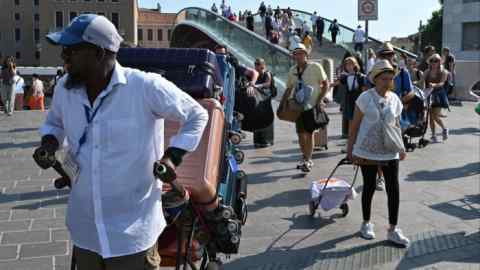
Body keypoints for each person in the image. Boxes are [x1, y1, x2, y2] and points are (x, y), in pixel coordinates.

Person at [37, 14, 209, 270]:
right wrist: (49, 145)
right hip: (85, 231)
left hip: (132, 234)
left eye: (71, 50)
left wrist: (172, 157)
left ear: (98, 53)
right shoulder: (65, 88)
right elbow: (54, 123)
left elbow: (197, 114)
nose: (64, 57)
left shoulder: (144, 87)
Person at [347, 59, 410, 248]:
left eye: (390, 79)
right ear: (375, 79)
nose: (387, 82)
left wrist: (401, 147)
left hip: (389, 150)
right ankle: (366, 222)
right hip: (367, 150)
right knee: (369, 186)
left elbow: (396, 125)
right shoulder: (365, 97)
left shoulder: (395, 99)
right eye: (384, 78)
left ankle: (393, 229)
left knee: (393, 189)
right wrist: (350, 149)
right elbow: (355, 125)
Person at [375, 42, 415, 191]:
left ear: (394, 55)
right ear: (379, 57)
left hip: (396, 116)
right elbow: (366, 89)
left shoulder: (402, 72)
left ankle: (390, 174)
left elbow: (410, 92)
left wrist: (398, 102)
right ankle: (380, 177)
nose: (387, 57)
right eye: (383, 55)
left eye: (389, 54)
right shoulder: (374, 72)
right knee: (380, 147)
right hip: (378, 115)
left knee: (393, 146)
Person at [283, 44, 329, 172]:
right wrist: (285, 103)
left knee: (309, 134)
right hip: (298, 107)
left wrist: (320, 100)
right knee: (300, 134)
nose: (298, 56)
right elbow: (289, 87)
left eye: (301, 53)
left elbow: (326, 84)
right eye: (296, 54)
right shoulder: (292, 70)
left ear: (306, 54)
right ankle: (305, 156)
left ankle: (308, 159)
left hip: (312, 106)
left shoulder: (315, 67)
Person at [333, 57, 368, 152]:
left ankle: (360, 144)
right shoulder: (345, 77)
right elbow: (336, 83)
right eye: (347, 64)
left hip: (358, 102)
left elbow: (364, 90)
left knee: (361, 124)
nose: (349, 66)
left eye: (351, 64)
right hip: (349, 102)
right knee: (351, 124)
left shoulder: (361, 77)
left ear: (356, 65)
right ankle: (350, 145)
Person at [424, 53, 450, 143]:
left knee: (435, 116)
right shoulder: (427, 71)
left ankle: (444, 129)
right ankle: (434, 135)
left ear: (439, 62)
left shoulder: (444, 72)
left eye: (436, 60)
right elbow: (421, 81)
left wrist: (434, 85)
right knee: (430, 117)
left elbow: (442, 83)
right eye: (432, 60)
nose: (434, 62)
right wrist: (414, 83)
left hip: (438, 95)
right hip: (429, 94)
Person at [252, 58, 274, 148]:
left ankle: (266, 140)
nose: (257, 66)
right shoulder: (255, 73)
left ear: (263, 65)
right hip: (257, 98)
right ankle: (258, 141)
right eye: (256, 64)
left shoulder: (267, 73)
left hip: (265, 98)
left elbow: (268, 83)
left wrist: (258, 85)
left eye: (259, 64)